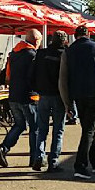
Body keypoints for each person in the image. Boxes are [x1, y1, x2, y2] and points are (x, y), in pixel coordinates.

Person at [59, 24, 95, 180]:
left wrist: (67, 104)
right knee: (89, 129)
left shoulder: (69, 51)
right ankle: (80, 165)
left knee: (88, 127)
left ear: (75, 35)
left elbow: (63, 79)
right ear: (88, 34)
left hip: (78, 93)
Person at [0, 29, 42, 169]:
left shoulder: (13, 54)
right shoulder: (33, 55)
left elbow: (7, 76)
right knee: (34, 128)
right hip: (29, 96)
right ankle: (34, 158)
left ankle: (4, 148)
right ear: (36, 40)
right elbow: (35, 77)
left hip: (13, 95)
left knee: (20, 125)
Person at [33, 31, 69, 172]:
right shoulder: (65, 55)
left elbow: (34, 71)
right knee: (58, 130)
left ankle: (38, 157)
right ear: (64, 41)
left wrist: (36, 88)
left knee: (41, 129)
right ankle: (53, 161)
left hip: (43, 94)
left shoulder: (41, 54)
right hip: (59, 95)